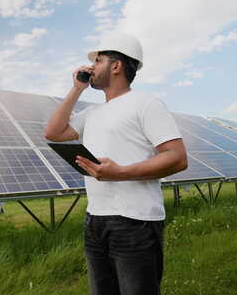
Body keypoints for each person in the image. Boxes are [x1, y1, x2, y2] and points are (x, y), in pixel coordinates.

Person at [44, 32, 187, 295]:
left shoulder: (146, 103)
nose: (91, 67)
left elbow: (177, 157)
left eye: (98, 61)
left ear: (117, 66)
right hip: (95, 220)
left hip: (135, 222)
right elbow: (53, 133)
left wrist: (119, 173)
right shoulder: (92, 113)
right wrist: (77, 88)